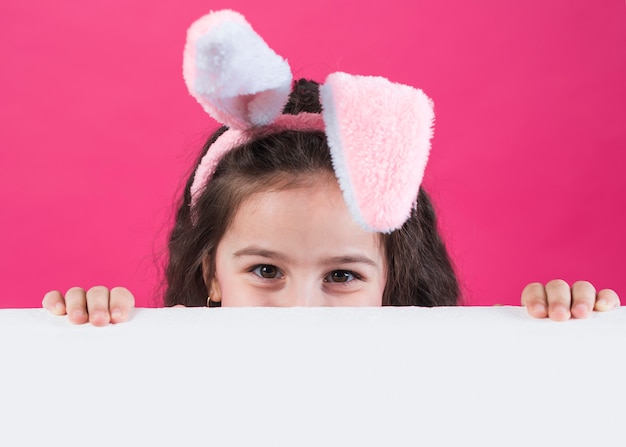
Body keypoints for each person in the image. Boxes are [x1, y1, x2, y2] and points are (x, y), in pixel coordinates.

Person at [42, 10, 620, 326]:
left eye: (342, 276)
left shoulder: (444, 389)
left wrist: (570, 336)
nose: (301, 311)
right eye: (265, 270)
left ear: (392, 282)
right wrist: (81, 336)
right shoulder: (149, 378)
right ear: (210, 273)